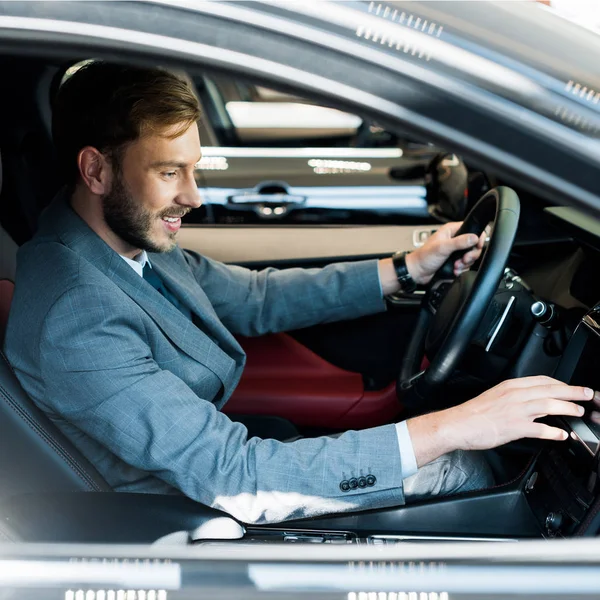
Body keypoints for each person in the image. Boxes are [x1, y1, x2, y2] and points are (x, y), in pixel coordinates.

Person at [4, 62, 595, 525]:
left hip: (206, 470)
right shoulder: (76, 312)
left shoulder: (113, 245)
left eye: (195, 168)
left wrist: (409, 269)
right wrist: (458, 426)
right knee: (467, 471)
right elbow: (238, 477)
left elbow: (257, 299)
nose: (195, 196)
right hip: (185, 517)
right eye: (168, 173)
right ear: (95, 171)